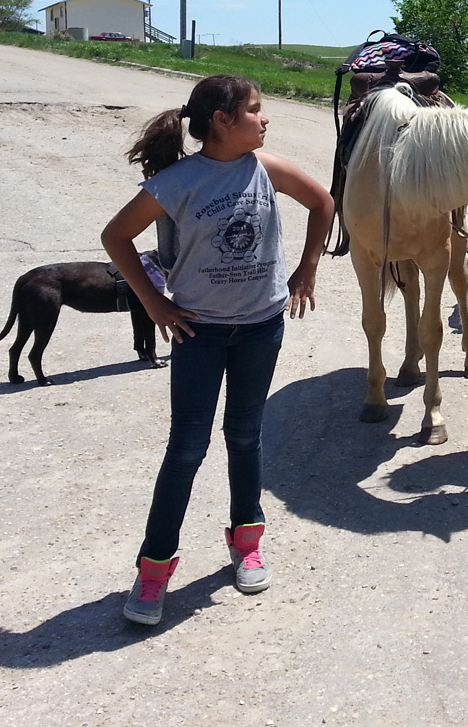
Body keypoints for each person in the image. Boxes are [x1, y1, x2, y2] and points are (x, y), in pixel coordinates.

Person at [102, 74, 334, 625]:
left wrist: (306, 269)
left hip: (261, 327)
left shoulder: (267, 168)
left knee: (246, 435)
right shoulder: (179, 181)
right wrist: (156, 303)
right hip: (199, 333)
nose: (265, 118)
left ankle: (246, 541)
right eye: (256, 110)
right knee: (185, 449)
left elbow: (323, 202)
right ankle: (154, 570)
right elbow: (116, 237)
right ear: (223, 122)